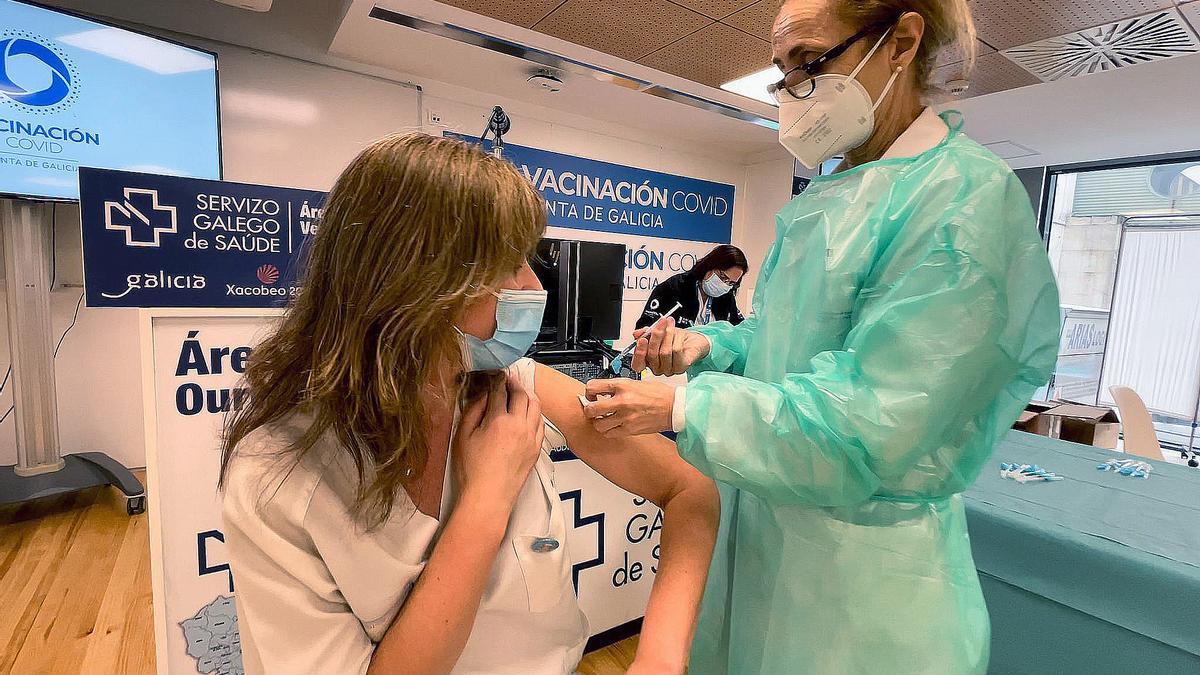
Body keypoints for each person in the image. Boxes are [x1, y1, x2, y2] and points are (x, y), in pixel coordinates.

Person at [581, 1, 1060, 673]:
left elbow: (870, 422)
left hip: (860, 589)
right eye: (782, 74)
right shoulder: (828, 201)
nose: (794, 94)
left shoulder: (963, 203)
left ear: (901, 42)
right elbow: (790, 348)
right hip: (768, 550)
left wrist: (681, 406)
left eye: (808, 64)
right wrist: (711, 349)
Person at [219, 134, 719, 675]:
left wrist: (659, 659)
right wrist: (487, 497)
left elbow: (689, 491)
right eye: (508, 266)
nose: (532, 285)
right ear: (416, 282)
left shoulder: (512, 386)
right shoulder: (279, 476)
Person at [635, 245, 747, 330]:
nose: (725, 285)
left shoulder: (727, 297)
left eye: (731, 283)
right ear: (710, 265)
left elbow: (739, 330)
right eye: (723, 277)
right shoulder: (673, 288)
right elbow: (645, 328)